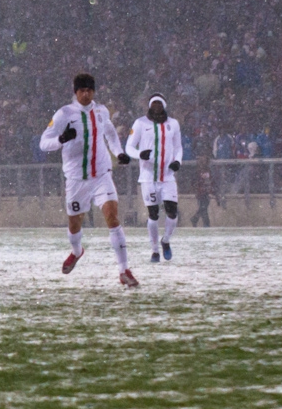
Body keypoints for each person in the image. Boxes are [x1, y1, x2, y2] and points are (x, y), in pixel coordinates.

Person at [39, 73, 139, 287]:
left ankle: (124, 270)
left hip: (102, 175)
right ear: (75, 92)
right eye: (82, 90)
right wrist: (61, 139)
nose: (86, 94)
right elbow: (43, 143)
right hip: (76, 179)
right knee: (75, 224)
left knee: (112, 218)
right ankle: (77, 251)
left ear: (94, 92)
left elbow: (111, 134)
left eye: (89, 90)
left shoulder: (102, 112)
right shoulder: (64, 114)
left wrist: (118, 153)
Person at [125, 94, 183, 262]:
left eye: (159, 103)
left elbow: (178, 147)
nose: (156, 106)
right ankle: (155, 250)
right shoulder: (140, 123)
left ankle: (165, 240)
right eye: (154, 103)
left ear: (164, 105)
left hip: (167, 176)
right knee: (153, 214)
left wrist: (177, 161)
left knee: (172, 212)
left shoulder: (173, 124)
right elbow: (129, 147)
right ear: (150, 106)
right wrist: (139, 154)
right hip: (148, 177)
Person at [190, 155, 220, 227]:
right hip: (201, 192)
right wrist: (197, 189)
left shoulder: (208, 171)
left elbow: (211, 182)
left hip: (206, 192)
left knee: (204, 208)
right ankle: (205, 223)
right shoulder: (197, 171)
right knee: (203, 208)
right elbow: (194, 182)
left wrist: (213, 192)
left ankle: (196, 219)